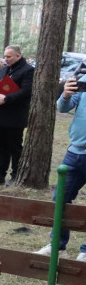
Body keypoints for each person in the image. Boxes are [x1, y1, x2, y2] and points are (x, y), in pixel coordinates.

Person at [35, 76, 86, 262]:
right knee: (59, 199)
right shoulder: (84, 80)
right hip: (74, 152)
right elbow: (63, 107)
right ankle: (57, 244)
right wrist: (65, 94)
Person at [0, 45, 34, 184]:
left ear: (18, 56)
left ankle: (15, 175)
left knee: (15, 146)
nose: (6, 59)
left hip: (15, 116)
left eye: (9, 57)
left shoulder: (28, 70)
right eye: (5, 56)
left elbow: (26, 91)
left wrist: (6, 98)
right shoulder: (2, 70)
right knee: (1, 145)